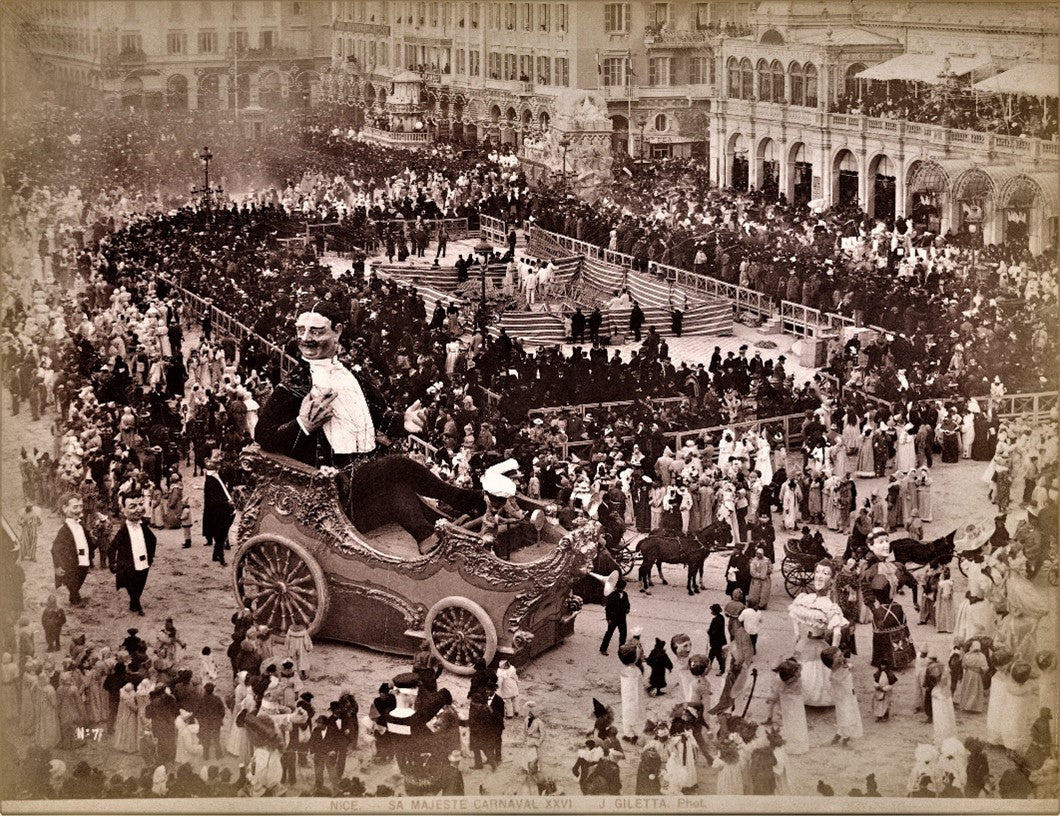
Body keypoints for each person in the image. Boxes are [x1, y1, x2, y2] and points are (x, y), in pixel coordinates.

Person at [255, 301, 386, 468]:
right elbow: (263, 435)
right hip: (327, 479)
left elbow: (376, 415)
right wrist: (303, 424)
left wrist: (403, 421)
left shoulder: (352, 373)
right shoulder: (295, 383)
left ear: (337, 331)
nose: (305, 339)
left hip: (367, 467)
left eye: (315, 332)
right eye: (301, 331)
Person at [107, 494, 157, 616]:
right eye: (133, 506)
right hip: (128, 564)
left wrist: (150, 557)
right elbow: (112, 548)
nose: (139, 509)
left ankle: (135, 600)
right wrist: (112, 563)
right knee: (130, 583)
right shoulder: (124, 530)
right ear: (123, 510)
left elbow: (153, 540)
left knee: (141, 582)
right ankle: (134, 602)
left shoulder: (143, 527)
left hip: (143, 561)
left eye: (141, 504)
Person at [51, 494, 94, 606]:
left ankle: (74, 595)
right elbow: (55, 549)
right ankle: (75, 598)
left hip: (84, 559)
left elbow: (88, 540)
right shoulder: (64, 531)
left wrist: (94, 543)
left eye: (80, 506)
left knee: (82, 576)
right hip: (71, 561)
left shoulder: (81, 525)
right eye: (75, 507)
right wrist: (58, 565)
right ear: (65, 509)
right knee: (73, 580)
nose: (79, 510)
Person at [202, 451, 236, 567]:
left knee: (220, 535)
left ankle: (216, 555)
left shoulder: (214, 477)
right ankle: (220, 557)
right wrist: (226, 502)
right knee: (221, 535)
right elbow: (213, 500)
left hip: (218, 510)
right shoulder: (211, 480)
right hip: (218, 512)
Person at [600, 578, 630, 655]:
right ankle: (603, 648)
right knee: (609, 633)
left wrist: (627, 609)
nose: (622, 589)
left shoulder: (625, 594)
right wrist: (608, 618)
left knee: (623, 633)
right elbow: (608, 608)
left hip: (622, 617)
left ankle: (621, 649)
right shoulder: (612, 595)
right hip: (614, 618)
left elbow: (627, 604)